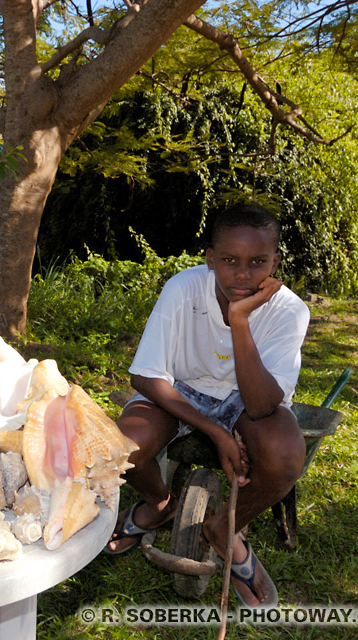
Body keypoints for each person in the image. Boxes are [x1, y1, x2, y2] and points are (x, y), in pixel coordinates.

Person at [106, 203, 309, 608]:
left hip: (245, 399)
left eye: (258, 262)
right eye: (230, 261)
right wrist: (216, 432)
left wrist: (239, 319)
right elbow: (145, 375)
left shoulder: (290, 310)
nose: (244, 274)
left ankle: (225, 528)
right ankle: (159, 503)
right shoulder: (184, 288)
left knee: (287, 455)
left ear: (276, 262)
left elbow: (263, 403)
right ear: (210, 259)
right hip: (181, 389)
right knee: (123, 446)